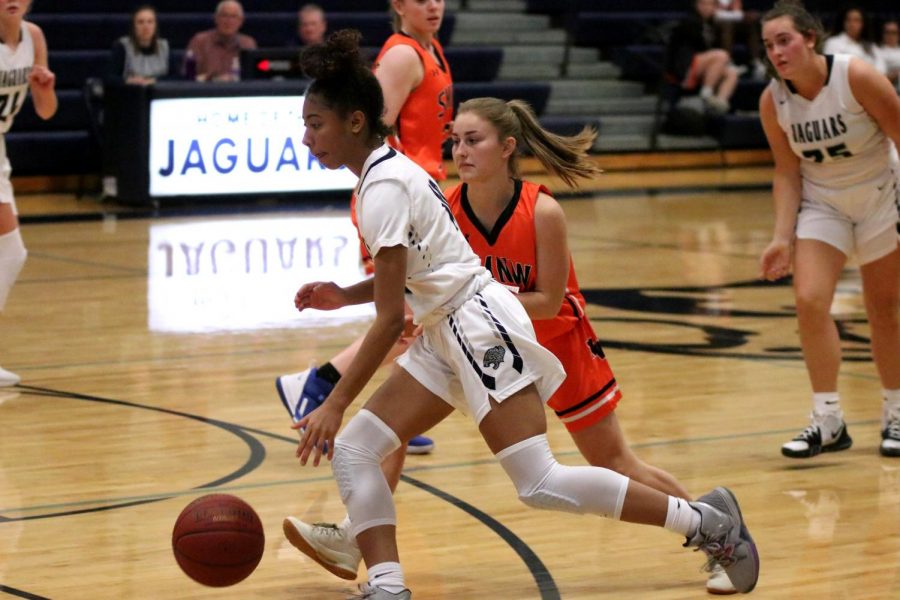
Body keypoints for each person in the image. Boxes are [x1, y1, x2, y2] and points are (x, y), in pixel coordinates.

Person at [284, 29, 760, 599]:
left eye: (316, 124)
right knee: (361, 449)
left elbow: (391, 321)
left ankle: (706, 523)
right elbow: (418, 269)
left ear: (355, 121)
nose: (307, 137)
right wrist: (344, 294)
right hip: (447, 327)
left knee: (538, 482)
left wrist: (334, 402)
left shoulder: (384, 188)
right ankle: (388, 586)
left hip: (477, 326)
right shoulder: (390, 171)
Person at [276, 0, 454, 455]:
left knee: (411, 316)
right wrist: (391, 190)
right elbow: (375, 125)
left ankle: (373, 402)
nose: (434, 4)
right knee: (407, 316)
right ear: (398, 4)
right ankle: (325, 386)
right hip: (397, 204)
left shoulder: (430, 50)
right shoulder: (402, 56)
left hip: (416, 198)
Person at [757, 1, 900, 459]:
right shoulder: (772, 99)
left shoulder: (856, 77)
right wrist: (781, 236)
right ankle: (829, 420)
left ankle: (895, 413)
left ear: (810, 38)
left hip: (880, 196)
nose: (777, 52)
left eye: (784, 40)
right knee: (809, 301)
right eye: (768, 45)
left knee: (885, 311)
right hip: (824, 204)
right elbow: (786, 171)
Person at [0, 0, 58, 386]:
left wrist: (45, 87)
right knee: (11, 248)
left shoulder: (34, 36)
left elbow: (46, 111)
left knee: (12, 251)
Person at [665, 0, 740, 114]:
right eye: (703, 4)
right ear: (696, 5)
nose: (706, 8)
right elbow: (693, 47)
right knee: (721, 55)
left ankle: (719, 103)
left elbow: (715, 46)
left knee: (732, 73)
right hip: (684, 66)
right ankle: (706, 94)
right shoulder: (689, 22)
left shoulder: (713, 24)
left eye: (710, 5)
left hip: (705, 64)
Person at [183, 0, 256, 82]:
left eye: (234, 16)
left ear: (241, 21)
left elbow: (253, 77)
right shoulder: (200, 41)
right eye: (224, 16)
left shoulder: (248, 43)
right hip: (206, 91)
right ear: (216, 18)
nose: (228, 21)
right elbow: (188, 76)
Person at [108, 5, 169, 85]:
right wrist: (128, 80)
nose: (146, 27)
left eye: (150, 22)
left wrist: (155, 80)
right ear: (133, 26)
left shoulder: (164, 46)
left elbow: (175, 76)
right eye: (140, 22)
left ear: (155, 25)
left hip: (158, 93)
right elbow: (110, 78)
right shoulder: (122, 46)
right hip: (130, 93)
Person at [822, 4, 887, 75]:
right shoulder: (833, 42)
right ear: (843, 22)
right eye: (848, 20)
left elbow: (882, 69)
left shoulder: (871, 46)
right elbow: (833, 69)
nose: (852, 24)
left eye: (856, 20)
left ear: (863, 24)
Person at [878, 18, 900, 91]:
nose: (890, 35)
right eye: (887, 32)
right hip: (890, 90)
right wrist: (896, 74)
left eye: (894, 32)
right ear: (883, 34)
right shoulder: (878, 52)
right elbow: (881, 78)